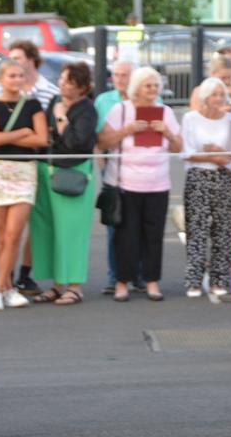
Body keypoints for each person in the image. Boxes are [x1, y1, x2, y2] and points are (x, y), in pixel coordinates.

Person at [97, 67, 181, 302]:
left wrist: (167, 133)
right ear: (136, 87)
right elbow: (103, 141)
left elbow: (179, 147)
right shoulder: (121, 110)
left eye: (155, 86)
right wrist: (127, 130)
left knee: (154, 236)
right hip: (126, 184)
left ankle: (152, 282)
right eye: (148, 85)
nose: (153, 90)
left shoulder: (165, 112)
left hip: (158, 184)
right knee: (126, 236)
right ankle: (122, 283)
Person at [0, 40, 60, 295]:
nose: (17, 77)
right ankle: (5, 284)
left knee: (16, 232)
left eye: (20, 72)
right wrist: (22, 132)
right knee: (1, 234)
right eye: (12, 73)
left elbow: (42, 139)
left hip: (27, 169)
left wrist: (12, 137)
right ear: (2, 77)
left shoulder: (39, 99)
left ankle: (7, 284)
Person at [28, 62, 98, 306]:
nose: (61, 84)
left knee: (71, 231)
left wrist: (60, 119)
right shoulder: (54, 100)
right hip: (46, 170)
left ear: (81, 87)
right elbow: (46, 136)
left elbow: (77, 143)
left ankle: (75, 285)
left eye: (68, 81)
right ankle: (56, 285)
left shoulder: (87, 109)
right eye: (62, 79)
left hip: (73, 173)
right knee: (47, 229)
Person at [181, 77, 231, 298]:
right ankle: (193, 280)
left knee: (223, 229)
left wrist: (213, 153)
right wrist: (214, 155)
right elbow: (187, 153)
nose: (218, 99)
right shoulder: (190, 119)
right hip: (197, 177)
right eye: (214, 95)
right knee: (196, 229)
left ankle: (220, 278)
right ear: (204, 97)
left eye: (221, 94)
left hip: (223, 177)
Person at [93, 60, 145, 295]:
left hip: (143, 170)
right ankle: (115, 277)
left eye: (125, 75)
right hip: (113, 168)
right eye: (116, 74)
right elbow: (99, 137)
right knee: (115, 222)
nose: (120, 79)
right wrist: (102, 165)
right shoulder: (104, 101)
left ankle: (139, 276)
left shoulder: (148, 98)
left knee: (143, 225)